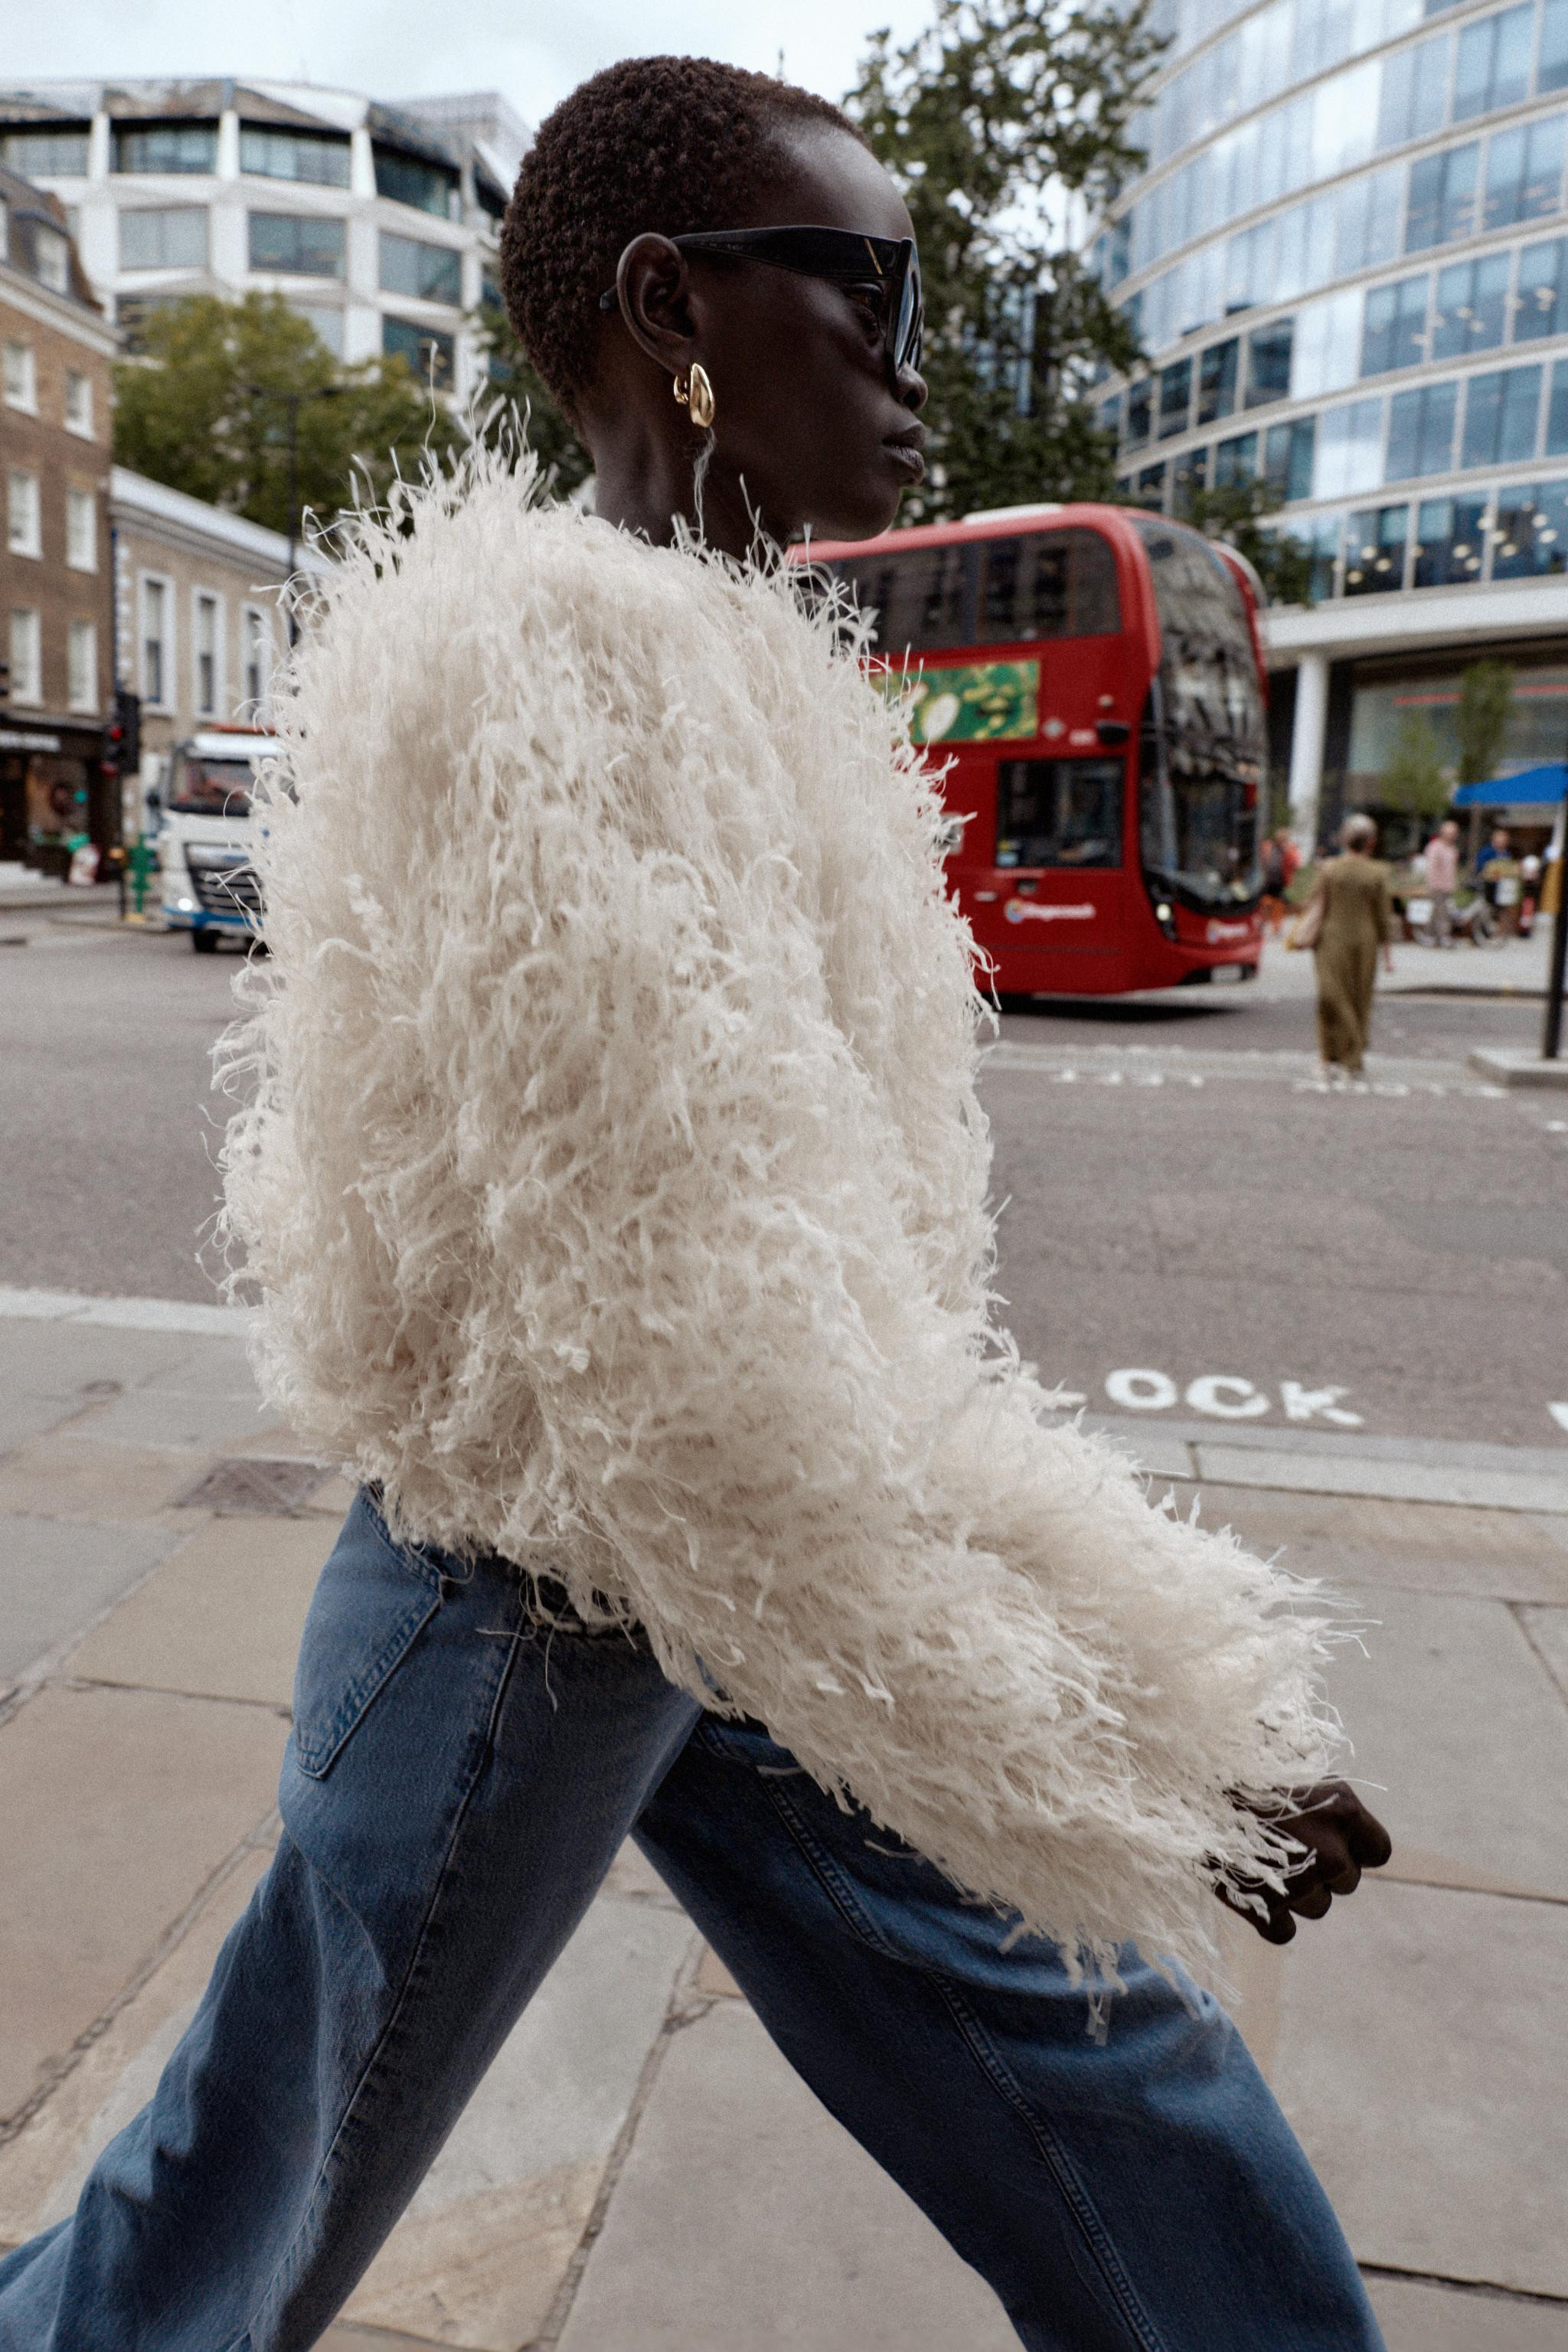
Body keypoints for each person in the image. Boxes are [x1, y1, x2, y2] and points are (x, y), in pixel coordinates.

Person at [0, 57, 1393, 2352]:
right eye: (873, 296)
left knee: (1085, 2046)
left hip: (728, 1576)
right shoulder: (534, 675)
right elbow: (691, 1358)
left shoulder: (732, 679)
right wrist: (1161, 1703)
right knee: (222, 2237)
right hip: (536, 1604)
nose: (921, 374)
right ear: (669, 307)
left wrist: (1114, 1702)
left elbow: (808, 1316)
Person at [1308, 812, 1396, 1080]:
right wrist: (1387, 954)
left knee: (1330, 997)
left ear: (1345, 840)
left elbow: (1311, 901)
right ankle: (1353, 1053)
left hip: (1330, 938)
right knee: (1359, 998)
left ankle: (1330, 1055)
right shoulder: (1379, 873)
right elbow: (1384, 916)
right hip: (1365, 941)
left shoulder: (1330, 869)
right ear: (1371, 842)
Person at [1420, 815, 1459, 946]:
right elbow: (1431, 868)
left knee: (1439, 912)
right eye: (1450, 834)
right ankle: (1443, 938)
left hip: (1448, 886)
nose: (1453, 836)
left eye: (1454, 834)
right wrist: (1433, 884)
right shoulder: (1435, 847)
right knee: (1441, 913)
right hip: (1437, 886)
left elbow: (1452, 869)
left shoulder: (1452, 849)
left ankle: (1430, 936)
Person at [1260, 824, 1300, 933]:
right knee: (1265, 902)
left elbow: (1296, 863)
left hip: (1279, 881)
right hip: (1266, 880)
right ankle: (1261, 923)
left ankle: (1277, 927)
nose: (1282, 841)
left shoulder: (1290, 849)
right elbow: (1260, 857)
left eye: (1285, 839)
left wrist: (1287, 850)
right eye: (1281, 839)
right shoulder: (1268, 846)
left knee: (1278, 905)